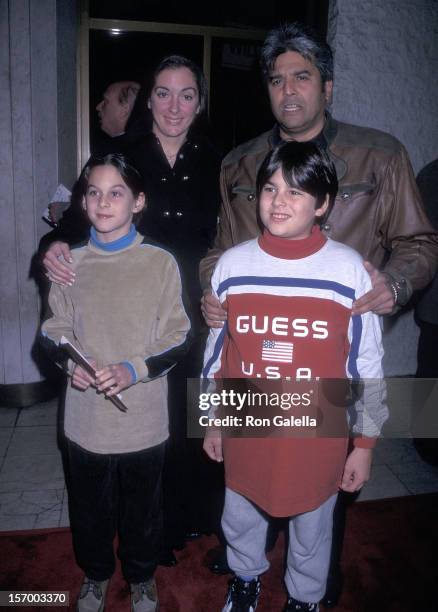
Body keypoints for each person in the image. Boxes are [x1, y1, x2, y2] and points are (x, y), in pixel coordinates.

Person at [199, 22, 438, 604]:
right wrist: (214, 293)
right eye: (276, 80)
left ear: (327, 87)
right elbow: (219, 251)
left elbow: (421, 243)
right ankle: (247, 573)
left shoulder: (380, 153)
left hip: (332, 358)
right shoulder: (241, 161)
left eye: (302, 77)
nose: (288, 91)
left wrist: (394, 285)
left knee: (318, 507)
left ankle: (308, 590)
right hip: (254, 357)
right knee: (246, 497)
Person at [40, 55, 222, 564]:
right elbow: (85, 217)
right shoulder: (122, 153)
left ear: (200, 103)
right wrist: (53, 246)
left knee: (194, 417)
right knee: (144, 426)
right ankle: (147, 533)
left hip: (200, 309)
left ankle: (189, 519)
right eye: (162, 92)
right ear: (148, 99)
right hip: (134, 310)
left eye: (187, 94)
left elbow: (231, 234)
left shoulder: (217, 161)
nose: (173, 105)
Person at [202, 141, 387, 612]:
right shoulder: (233, 265)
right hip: (248, 418)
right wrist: (212, 418)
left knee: (313, 523)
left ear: (322, 204)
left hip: (318, 427)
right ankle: (245, 577)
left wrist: (364, 446)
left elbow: (366, 364)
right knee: (240, 512)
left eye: (296, 192)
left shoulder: (348, 270)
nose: (278, 201)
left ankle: (305, 596)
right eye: (269, 189)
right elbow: (217, 353)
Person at [40, 153, 191, 612]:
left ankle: (142, 576)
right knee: (90, 508)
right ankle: (95, 574)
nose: (103, 202)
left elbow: (178, 335)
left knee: (143, 510)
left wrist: (132, 369)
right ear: (83, 202)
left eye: (116, 192)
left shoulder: (160, 262)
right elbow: (54, 328)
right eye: (93, 192)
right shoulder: (69, 264)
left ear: (138, 201)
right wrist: (73, 364)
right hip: (86, 421)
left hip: (143, 421)